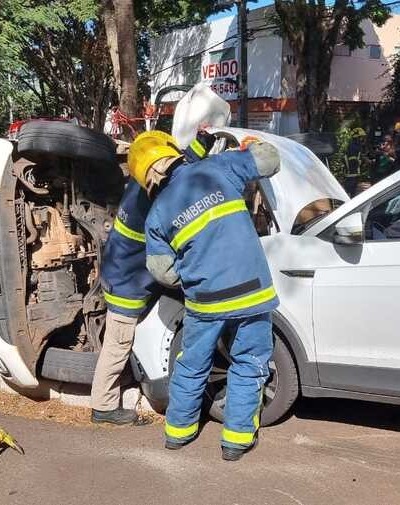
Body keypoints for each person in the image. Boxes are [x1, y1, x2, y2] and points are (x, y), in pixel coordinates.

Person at [127, 131, 280, 461]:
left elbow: (163, 271)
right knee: (249, 362)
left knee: (192, 365)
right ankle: (236, 441)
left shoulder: (156, 217)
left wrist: (196, 272)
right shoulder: (218, 168)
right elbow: (270, 160)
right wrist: (252, 145)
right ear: (171, 151)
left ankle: (177, 433)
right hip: (251, 292)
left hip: (204, 300)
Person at [90, 130, 215, 425]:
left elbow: (173, 167)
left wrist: (202, 142)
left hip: (122, 272)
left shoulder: (140, 179)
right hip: (127, 282)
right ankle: (103, 406)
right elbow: (176, 176)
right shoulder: (154, 197)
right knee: (118, 342)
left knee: (124, 339)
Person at [344, 128, 366, 197]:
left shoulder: (355, 146)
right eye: (361, 137)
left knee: (353, 188)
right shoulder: (354, 146)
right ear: (357, 138)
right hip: (352, 171)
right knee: (350, 188)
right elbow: (352, 159)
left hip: (354, 171)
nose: (362, 139)